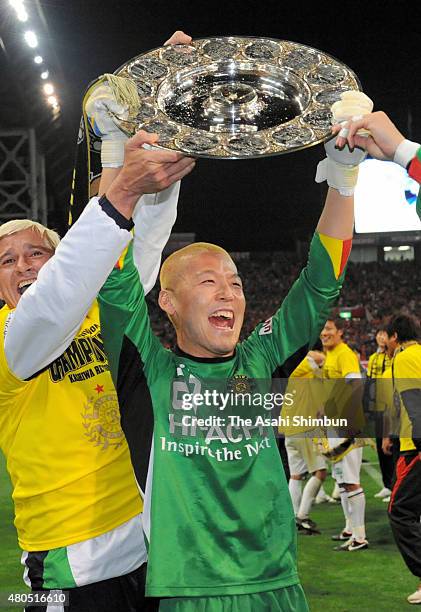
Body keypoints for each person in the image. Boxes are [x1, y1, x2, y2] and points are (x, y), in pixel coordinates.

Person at [89, 87, 377, 610]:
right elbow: (110, 274)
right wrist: (114, 152)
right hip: (184, 593)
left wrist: (343, 177)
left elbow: (318, 285)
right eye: (208, 281)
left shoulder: (260, 361)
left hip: (277, 588)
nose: (229, 291)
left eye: (237, 282)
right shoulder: (148, 374)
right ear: (168, 302)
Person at [0, 32, 195, 612]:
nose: (25, 265)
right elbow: (58, 296)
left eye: (37, 252)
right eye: (6, 261)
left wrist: (144, 115)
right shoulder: (8, 334)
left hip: (142, 532)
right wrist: (122, 182)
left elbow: (136, 244)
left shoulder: (90, 302)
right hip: (62, 558)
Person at [319, 316, 368, 551]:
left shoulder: (345, 353)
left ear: (340, 332)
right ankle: (350, 530)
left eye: (329, 329)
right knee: (341, 480)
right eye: (323, 329)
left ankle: (360, 537)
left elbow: (355, 386)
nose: (324, 333)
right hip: (334, 422)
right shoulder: (331, 354)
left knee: (351, 481)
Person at [385, 315, 421, 606]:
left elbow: (413, 400)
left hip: (415, 448)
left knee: (400, 511)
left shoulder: (405, 357)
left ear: (395, 336)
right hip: (409, 443)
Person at [282, 350, 328, 535]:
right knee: (321, 472)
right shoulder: (305, 368)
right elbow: (316, 357)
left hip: (289, 430)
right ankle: (303, 516)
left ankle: (292, 516)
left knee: (296, 475)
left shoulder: (294, 372)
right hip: (304, 428)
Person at [365, 328, 393, 500]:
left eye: (384, 335)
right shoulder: (373, 358)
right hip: (377, 407)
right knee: (381, 448)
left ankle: (394, 484)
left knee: (392, 447)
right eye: (379, 334)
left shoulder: (393, 356)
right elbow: (370, 383)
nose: (381, 337)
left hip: (390, 407)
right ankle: (386, 485)